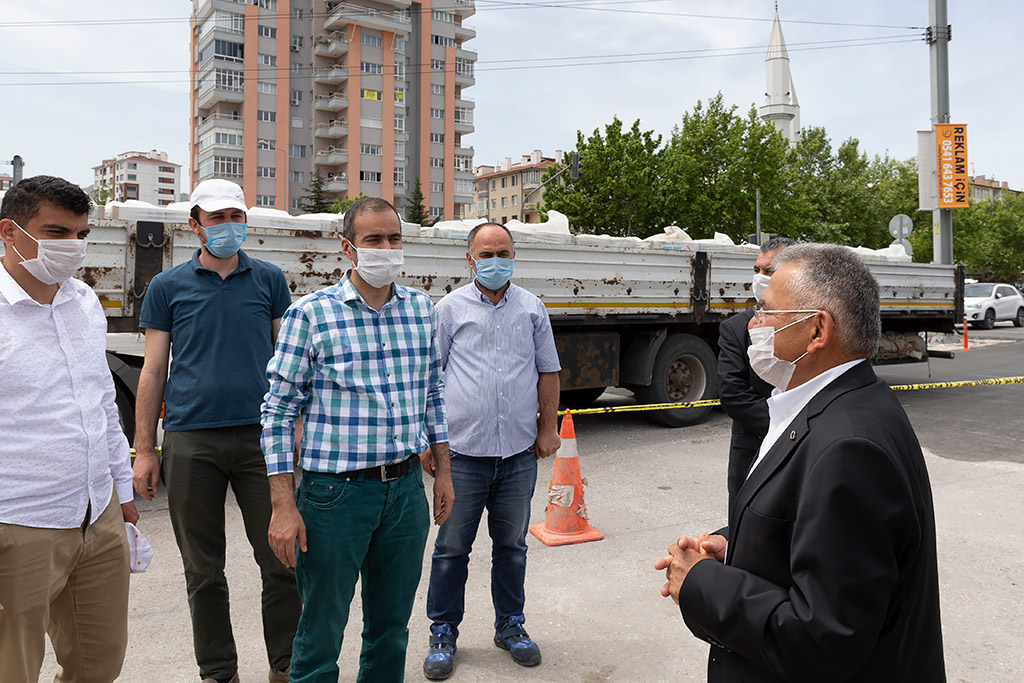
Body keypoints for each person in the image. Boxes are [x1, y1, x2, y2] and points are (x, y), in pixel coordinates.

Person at [657, 244, 945, 682]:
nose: (755, 324)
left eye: (767, 311)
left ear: (816, 331)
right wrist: (736, 546)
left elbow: (824, 637)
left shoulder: (850, 447)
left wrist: (701, 585)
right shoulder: (838, 405)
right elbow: (815, 532)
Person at [261, 197, 455, 683]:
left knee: (391, 628)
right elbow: (278, 412)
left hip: (406, 491)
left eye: (394, 238)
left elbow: (434, 394)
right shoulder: (311, 315)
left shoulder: (421, 310)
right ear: (347, 247)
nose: (386, 248)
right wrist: (283, 505)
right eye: (373, 240)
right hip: (334, 496)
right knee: (321, 630)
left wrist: (445, 473)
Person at [132, 178, 300, 683]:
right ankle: (218, 671)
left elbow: (289, 362)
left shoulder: (269, 279)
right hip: (191, 439)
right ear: (195, 225)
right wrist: (145, 449)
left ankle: (286, 666)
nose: (229, 226)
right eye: (217, 218)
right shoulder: (167, 287)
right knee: (203, 571)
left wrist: (293, 425)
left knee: (282, 561)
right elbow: (153, 370)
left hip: (260, 439)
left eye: (236, 217)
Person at [0, 175, 137, 682]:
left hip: (94, 515)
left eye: (81, 233)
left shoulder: (81, 299)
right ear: (9, 233)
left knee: (99, 663)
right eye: (56, 231)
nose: (72, 247)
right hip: (18, 524)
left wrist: (120, 492)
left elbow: (100, 400)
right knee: (13, 668)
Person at [422, 222, 562, 680]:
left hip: (519, 454)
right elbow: (430, 379)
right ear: (470, 259)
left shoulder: (532, 308)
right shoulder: (448, 309)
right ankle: (443, 631)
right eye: (486, 253)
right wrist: (430, 443)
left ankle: (511, 625)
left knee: (512, 547)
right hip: (461, 455)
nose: (495, 260)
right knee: (451, 549)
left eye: (503, 251)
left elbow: (548, 372)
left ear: (514, 255)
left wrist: (547, 429)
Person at [717, 237, 796, 510]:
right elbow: (732, 394)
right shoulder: (736, 329)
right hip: (753, 449)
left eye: (769, 271)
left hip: (803, 456)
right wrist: (787, 428)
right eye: (756, 270)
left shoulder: (810, 327)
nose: (760, 278)